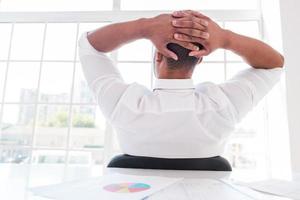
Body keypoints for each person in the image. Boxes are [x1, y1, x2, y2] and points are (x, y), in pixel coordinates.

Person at [78, 10, 284, 170]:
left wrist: (145, 27)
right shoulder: (223, 105)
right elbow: (275, 63)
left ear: (158, 56)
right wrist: (224, 37)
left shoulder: (124, 104)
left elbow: (88, 44)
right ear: (199, 58)